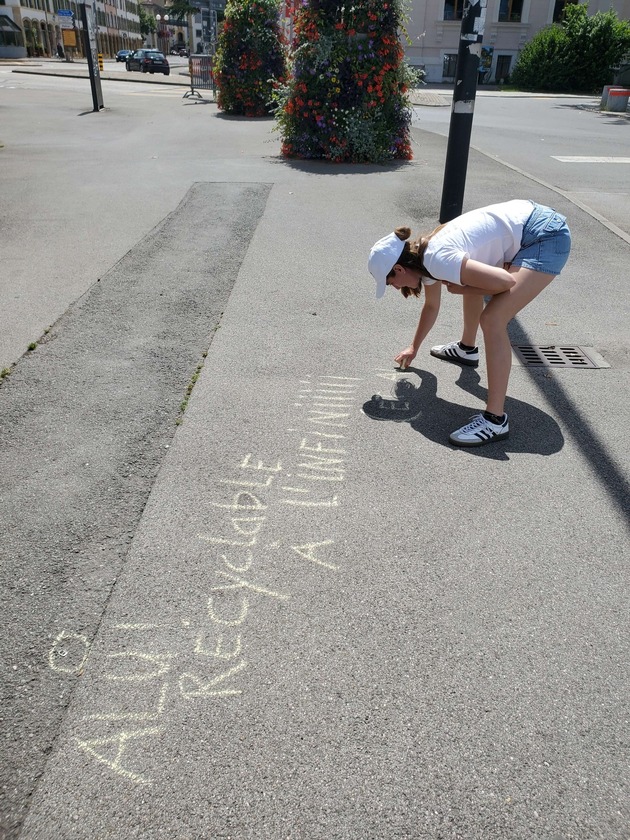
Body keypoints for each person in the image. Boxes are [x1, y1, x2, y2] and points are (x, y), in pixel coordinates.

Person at [367, 199, 571, 447]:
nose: (394, 288)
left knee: (493, 318)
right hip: (530, 223)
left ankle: (495, 421)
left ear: (398, 269)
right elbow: (431, 307)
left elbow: (504, 282)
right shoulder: (423, 256)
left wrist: (463, 289)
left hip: (544, 236)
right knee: (468, 282)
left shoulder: (436, 259)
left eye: (390, 283)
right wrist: (414, 347)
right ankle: (467, 348)